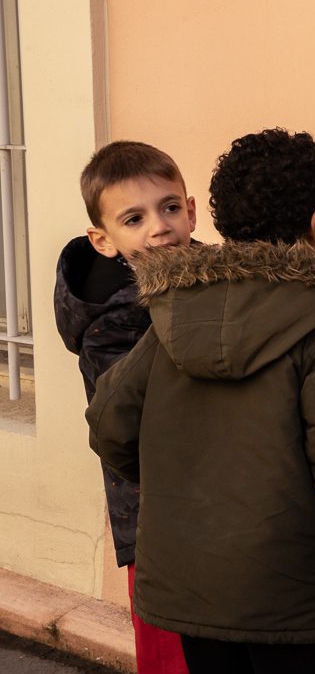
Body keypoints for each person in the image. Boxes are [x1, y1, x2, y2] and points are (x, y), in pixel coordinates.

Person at [86, 128, 315, 674]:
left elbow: (111, 425)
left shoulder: (173, 306)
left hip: (188, 589)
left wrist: (178, 488)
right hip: (291, 589)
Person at [54, 140, 195, 674]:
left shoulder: (197, 282)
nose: (159, 227)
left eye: (170, 207)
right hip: (155, 522)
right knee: (169, 657)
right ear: (103, 240)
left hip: (204, 518)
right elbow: (128, 433)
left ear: (192, 209)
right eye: (134, 219)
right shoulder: (111, 327)